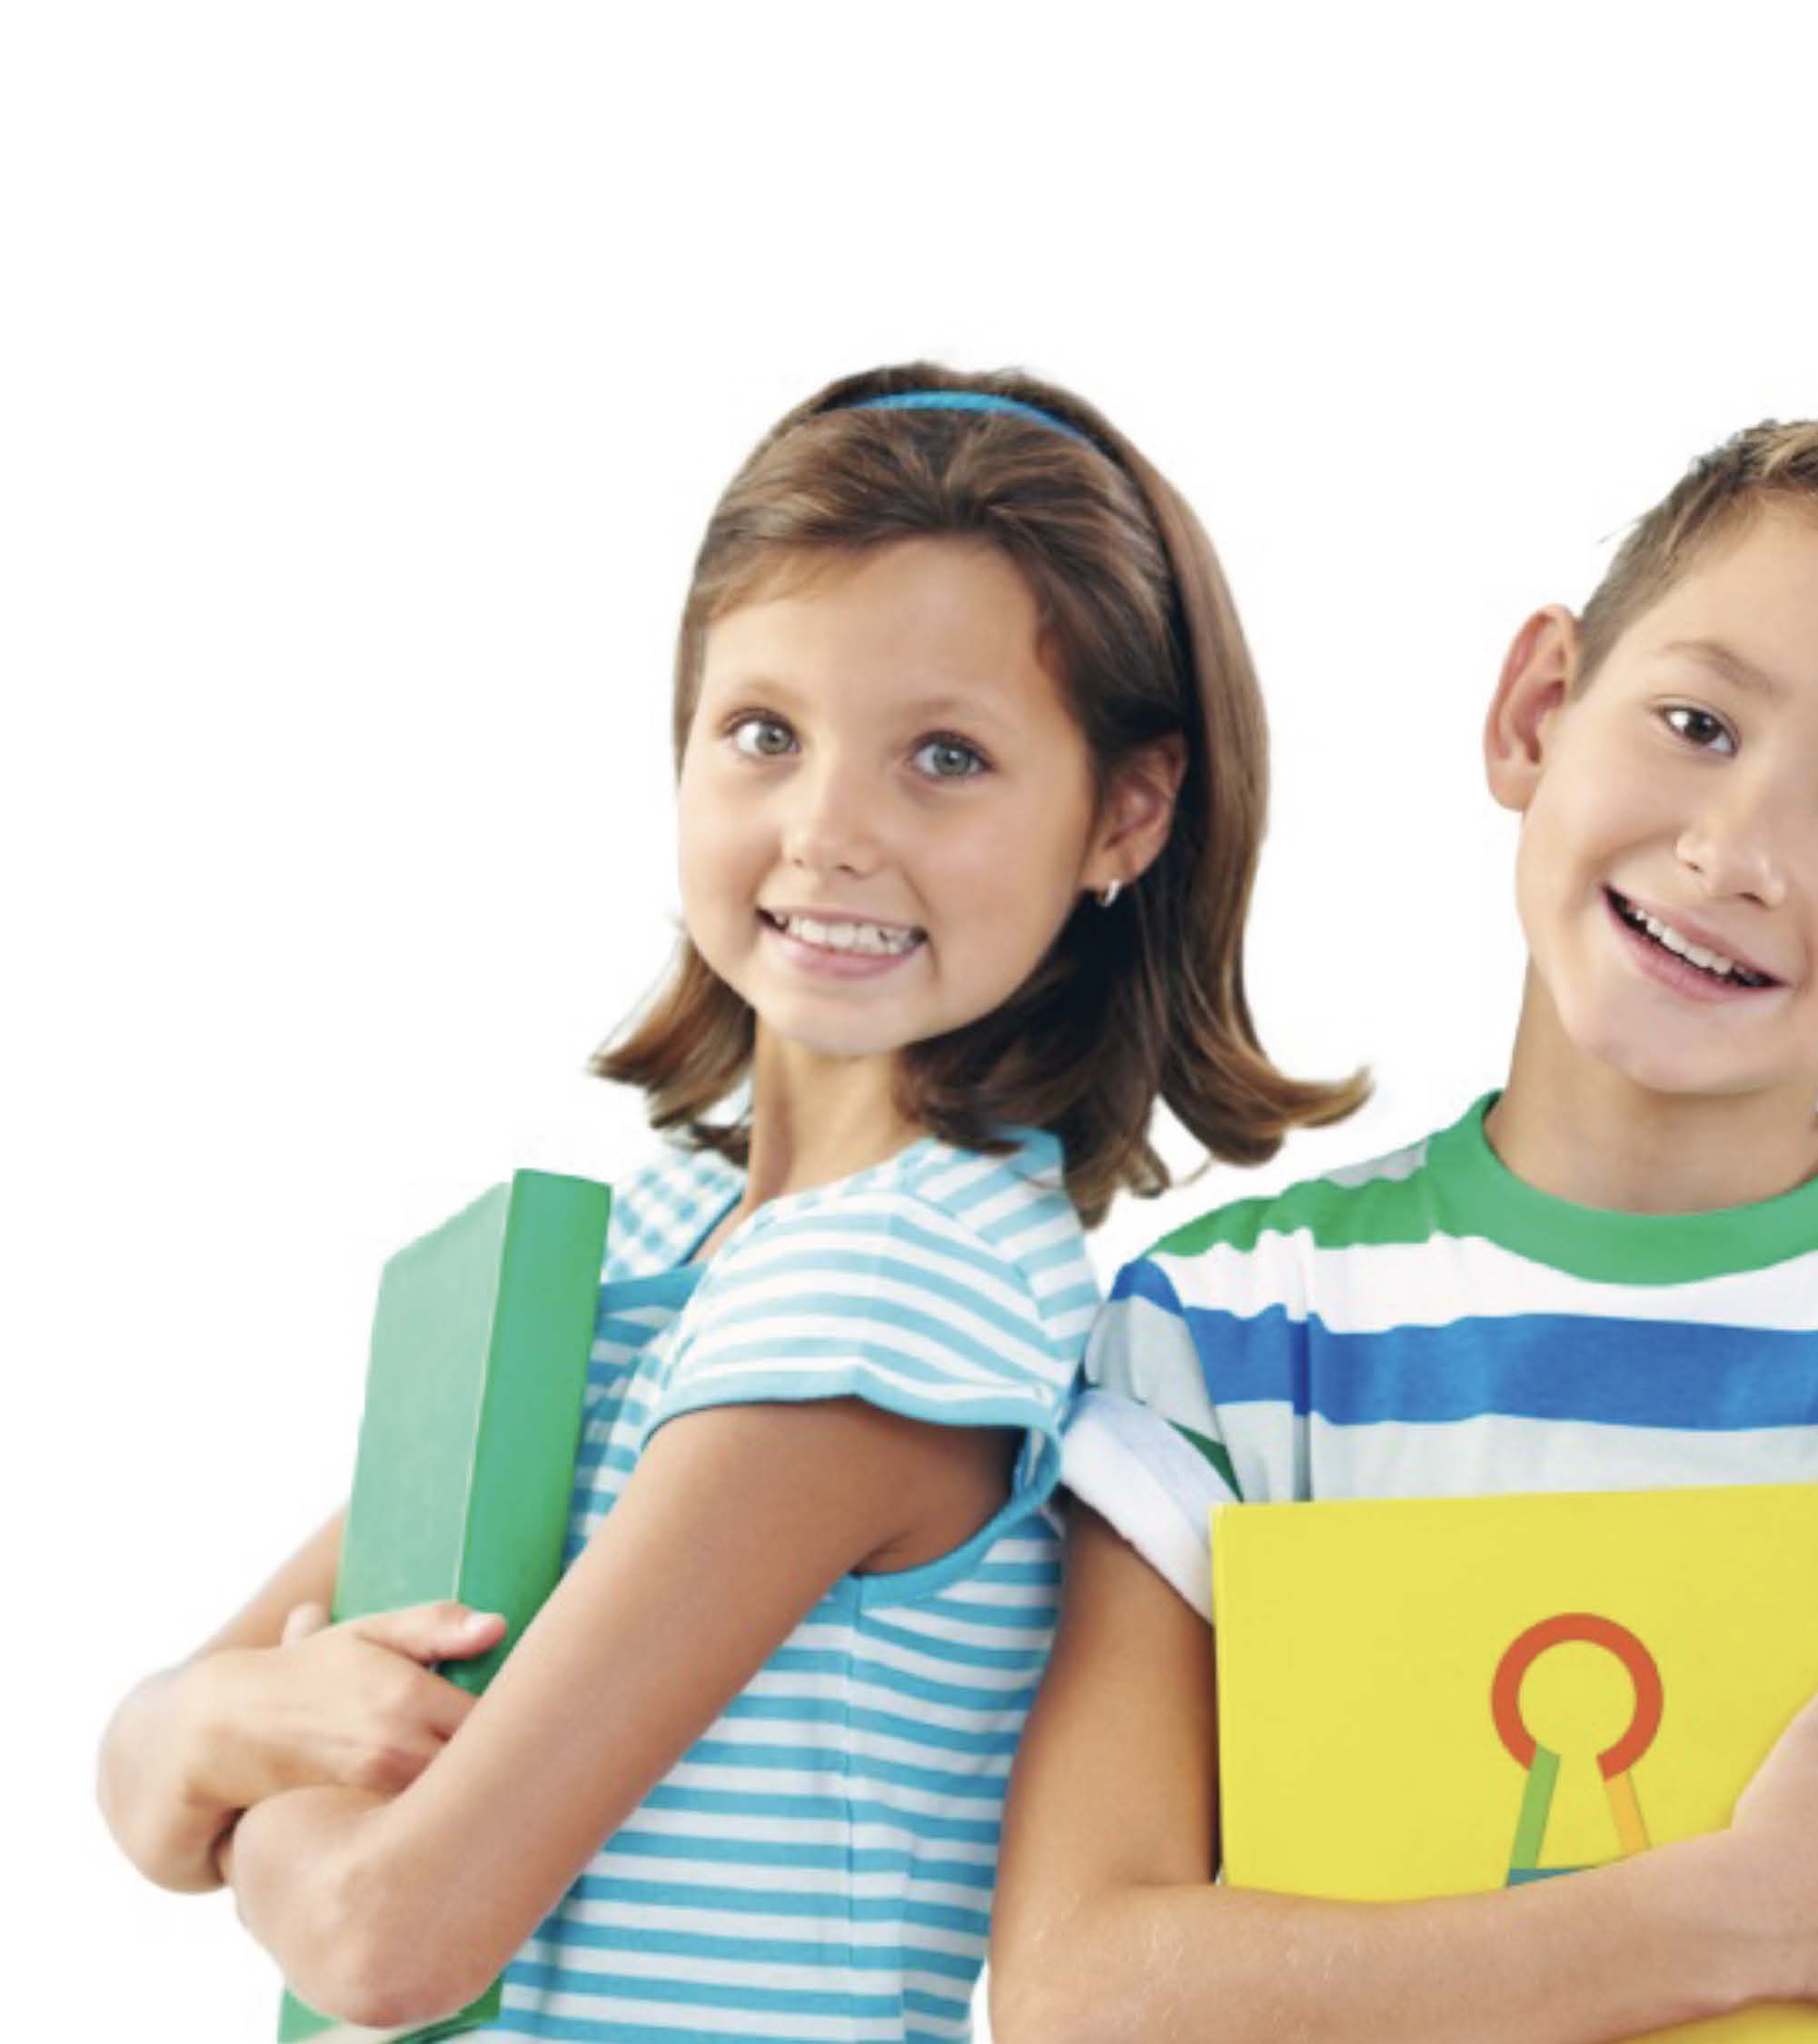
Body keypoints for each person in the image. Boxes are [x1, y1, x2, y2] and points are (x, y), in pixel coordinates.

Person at [993, 398, 1818, 2043]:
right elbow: (1080, 1995)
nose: (1735, 847)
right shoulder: (1226, 1328)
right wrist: (1731, 1916)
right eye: (1698, 721)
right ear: (1539, 709)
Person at [94, 365, 1358, 2042]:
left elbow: (390, 1936)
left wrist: (243, 1768)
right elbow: (137, 1765)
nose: (830, 829)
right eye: (767, 732)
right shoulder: (654, 1236)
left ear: (1123, 810)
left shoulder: (898, 1294)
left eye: (947, 757)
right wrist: (208, 1741)